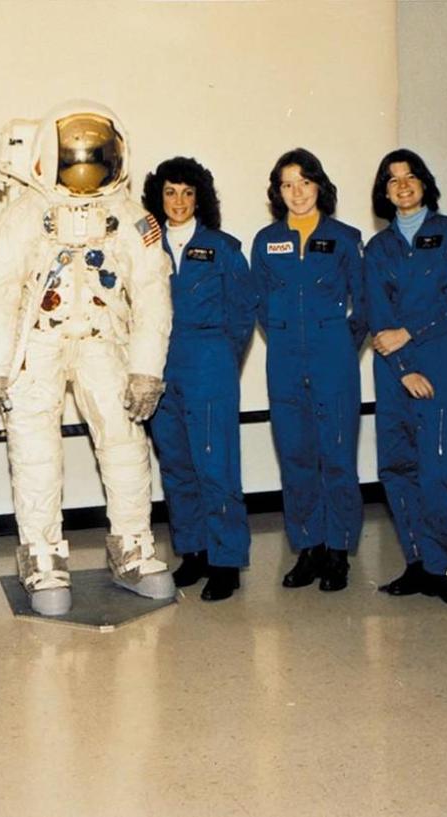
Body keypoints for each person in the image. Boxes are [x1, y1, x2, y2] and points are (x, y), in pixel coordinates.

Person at [0, 100, 175, 616]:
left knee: (125, 442)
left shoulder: (131, 216)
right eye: (75, 153)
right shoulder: (23, 215)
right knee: (36, 452)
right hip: (36, 346)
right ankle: (41, 555)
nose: (86, 163)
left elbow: (152, 293)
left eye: (95, 153)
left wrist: (147, 369)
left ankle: (133, 546)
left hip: (103, 341)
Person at [365, 148, 447, 607]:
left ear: (425, 183)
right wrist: (403, 368)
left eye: (410, 177)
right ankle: (415, 564)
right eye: (393, 181)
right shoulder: (378, 248)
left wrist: (410, 335)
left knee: (440, 469)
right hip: (393, 369)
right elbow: (376, 313)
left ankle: (444, 569)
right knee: (397, 467)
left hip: (440, 361)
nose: (403, 186)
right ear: (384, 192)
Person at [250, 148, 367, 593]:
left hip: (332, 357)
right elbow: (259, 301)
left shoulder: (345, 237)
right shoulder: (266, 241)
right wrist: (283, 335)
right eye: (287, 184)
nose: (296, 192)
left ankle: (338, 551)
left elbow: (365, 303)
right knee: (296, 457)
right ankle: (309, 547)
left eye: (304, 182)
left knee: (336, 456)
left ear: (319, 185)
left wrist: (339, 342)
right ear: (277, 192)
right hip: (283, 360)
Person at [141, 157, 256, 602]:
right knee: (176, 464)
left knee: (216, 464)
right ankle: (194, 552)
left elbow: (243, 311)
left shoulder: (222, 247)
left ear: (200, 198)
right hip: (159, 362)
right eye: (170, 192)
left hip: (208, 360)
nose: (179, 202)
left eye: (188, 193)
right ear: (158, 197)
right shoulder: (145, 245)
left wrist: (222, 357)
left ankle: (227, 562)